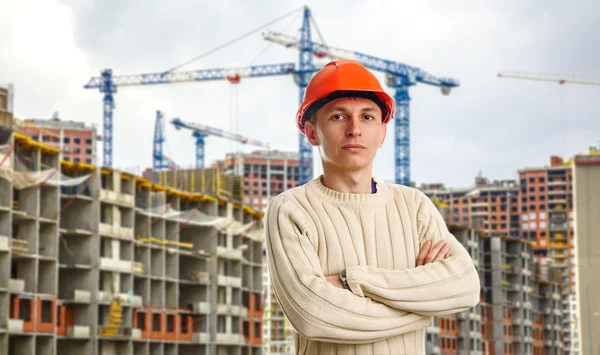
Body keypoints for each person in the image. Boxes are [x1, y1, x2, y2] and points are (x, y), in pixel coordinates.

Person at [264, 60, 480, 354]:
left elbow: (464, 286)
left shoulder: (413, 206)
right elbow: (313, 315)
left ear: (382, 133)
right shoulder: (290, 210)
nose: (355, 129)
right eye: (339, 117)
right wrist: (420, 309)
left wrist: (352, 280)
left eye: (367, 117)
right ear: (312, 132)